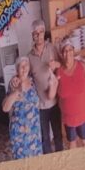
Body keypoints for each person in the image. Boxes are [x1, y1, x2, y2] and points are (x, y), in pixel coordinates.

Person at [2, 55, 50, 159]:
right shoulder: (14, 84)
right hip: (20, 132)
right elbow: (5, 108)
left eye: (26, 64)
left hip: (34, 130)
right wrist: (16, 91)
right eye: (21, 66)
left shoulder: (32, 81)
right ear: (17, 70)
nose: (24, 68)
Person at [27, 22, 64, 154]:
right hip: (40, 106)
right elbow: (27, 78)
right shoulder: (29, 57)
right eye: (35, 33)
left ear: (44, 33)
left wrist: (56, 64)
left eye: (41, 32)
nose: (38, 35)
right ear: (32, 35)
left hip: (55, 103)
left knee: (58, 135)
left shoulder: (52, 48)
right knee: (44, 138)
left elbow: (63, 64)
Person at [55, 40, 85, 148]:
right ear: (61, 54)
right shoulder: (58, 72)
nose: (68, 53)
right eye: (65, 50)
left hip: (83, 117)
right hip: (68, 119)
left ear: (73, 51)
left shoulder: (82, 66)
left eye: (70, 49)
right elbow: (56, 94)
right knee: (72, 144)